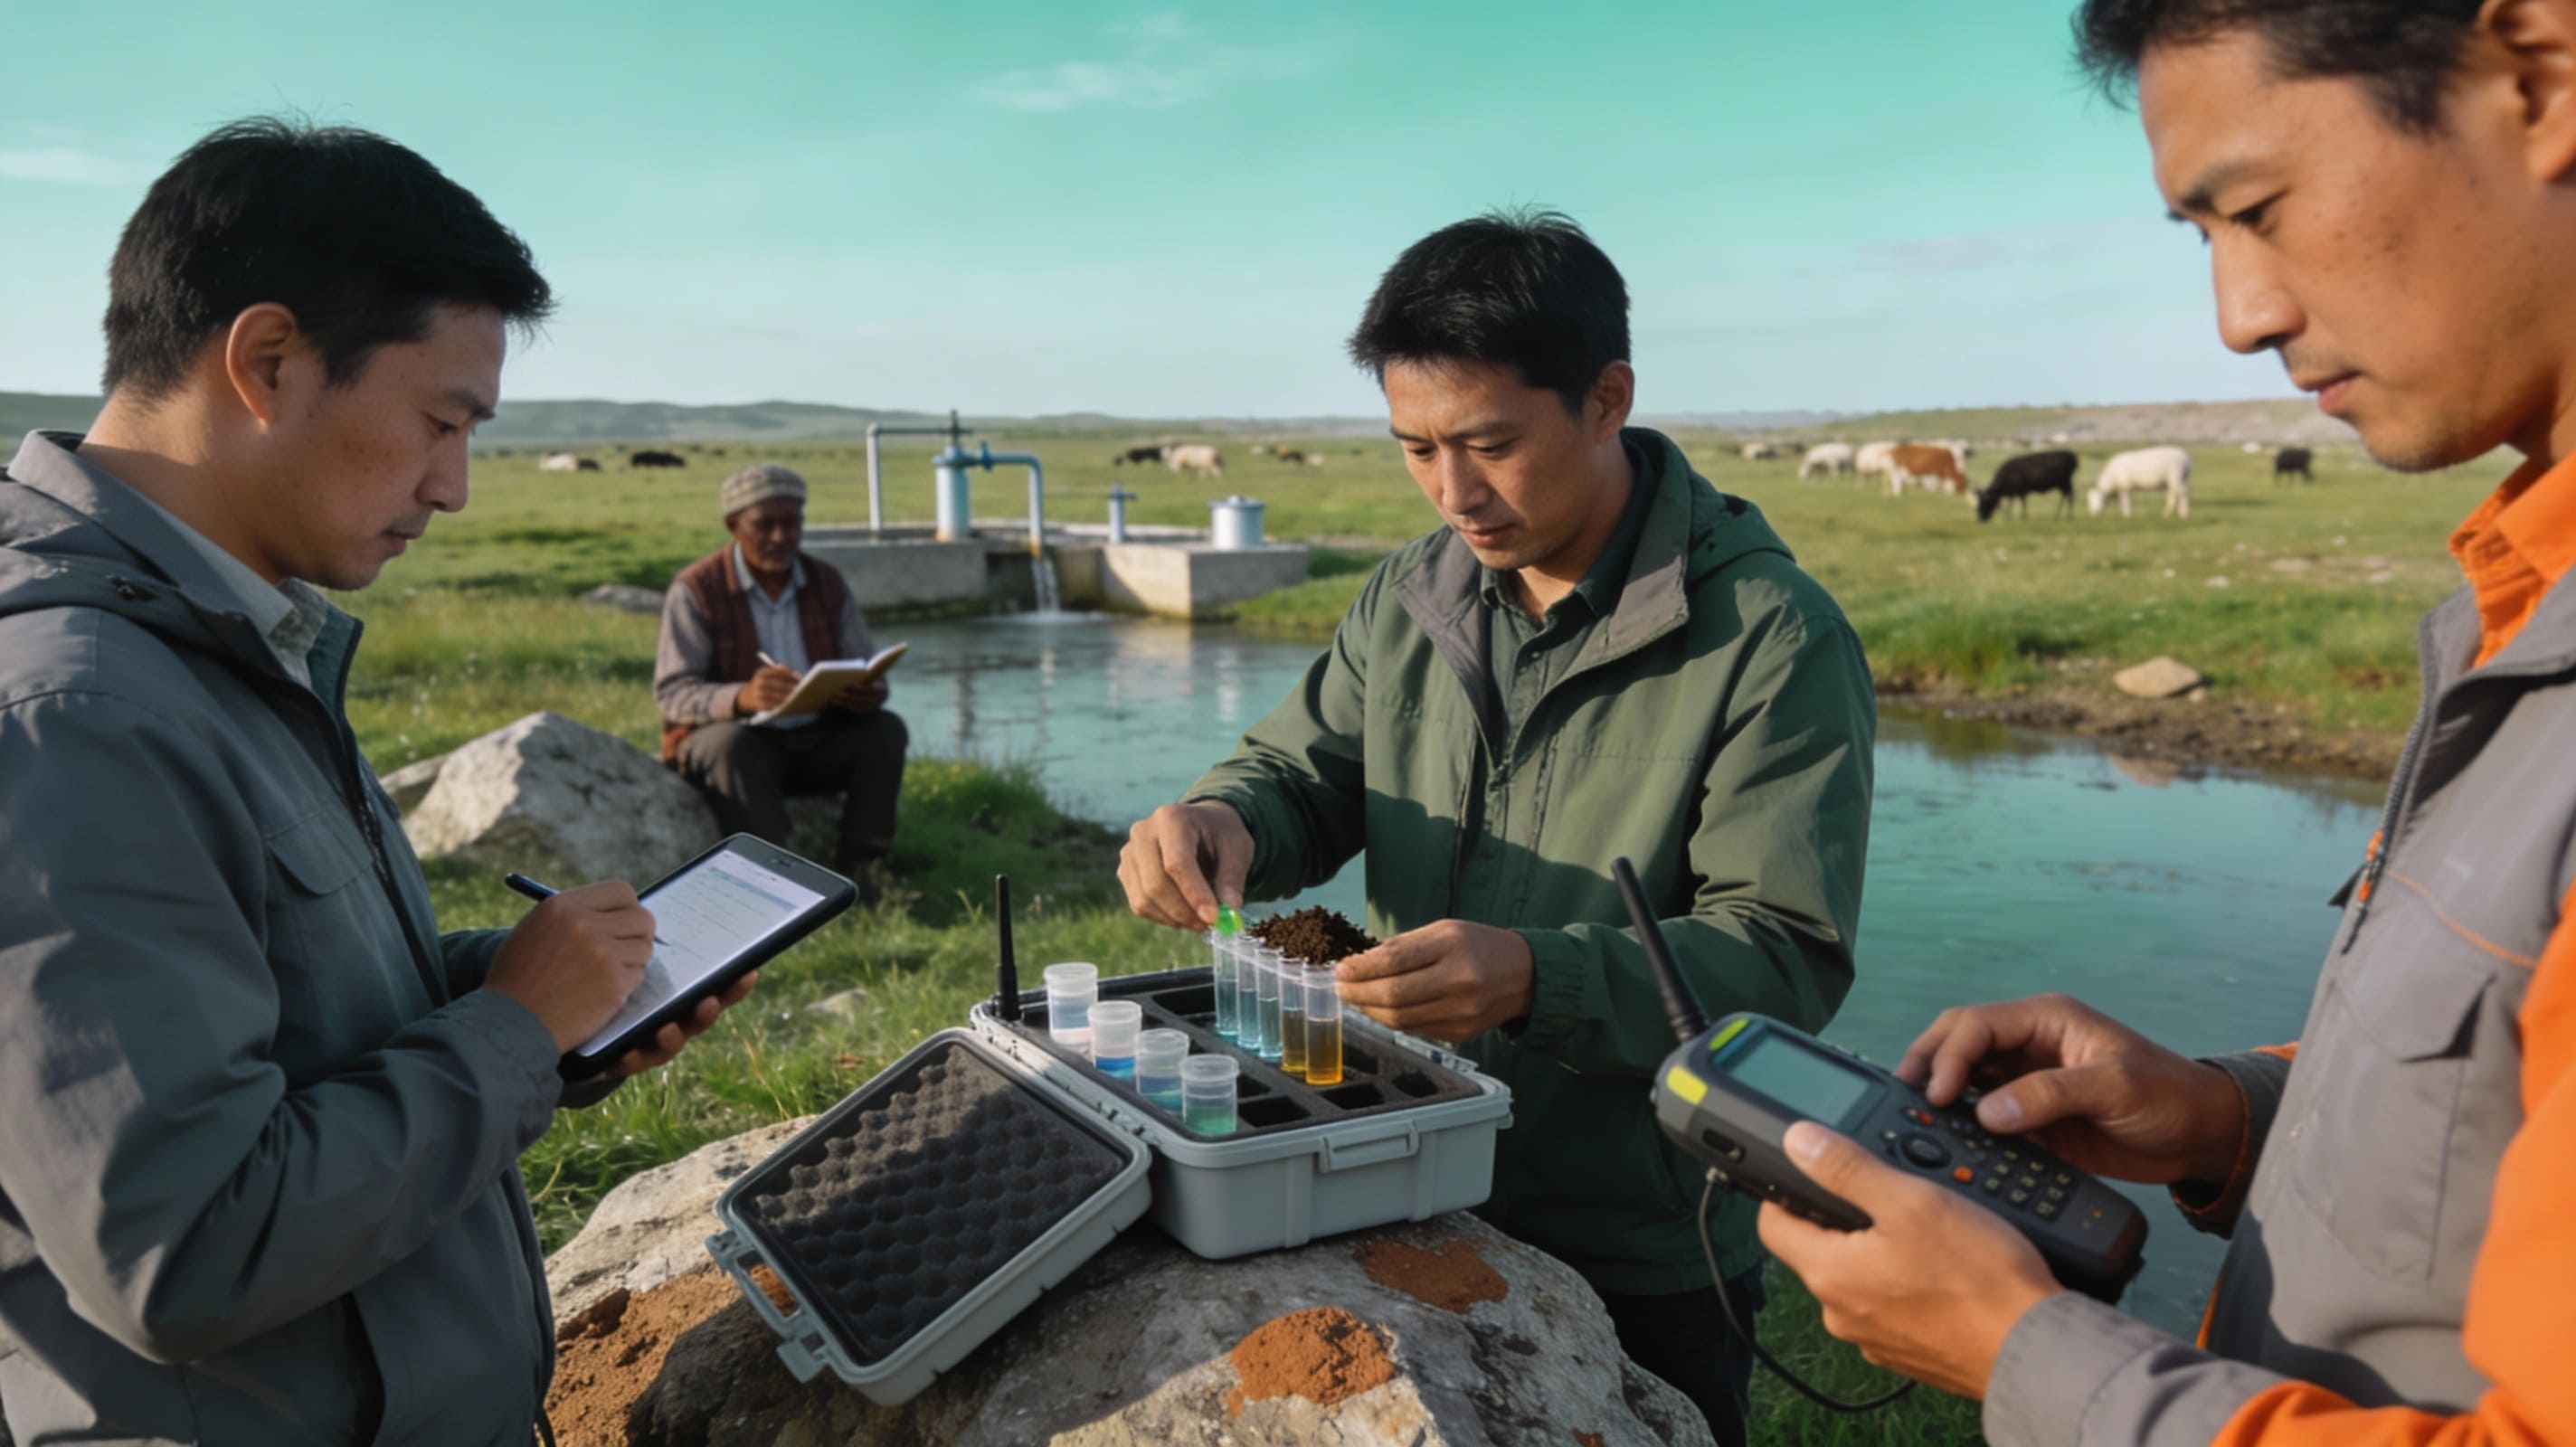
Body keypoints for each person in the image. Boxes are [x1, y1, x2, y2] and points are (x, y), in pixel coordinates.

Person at [1755, 3, 2576, 1443]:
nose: (2241, 316)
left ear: (2544, 71)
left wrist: (2028, 1357)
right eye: (2202, 241)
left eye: (2257, 209)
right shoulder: (2516, 601)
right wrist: (2232, 1117)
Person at [0, 118, 754, 1445]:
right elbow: (184, 1248)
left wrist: (524, 989)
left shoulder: (221, 633)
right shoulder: (78, 712)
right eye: (438, 421)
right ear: (269, 362)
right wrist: (512, 1034)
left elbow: (265, 1012)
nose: (453, 488)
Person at [1118, 210, 1877, 1444]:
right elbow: (1302, 774)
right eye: (1415, 447)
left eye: (1490, 444)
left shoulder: (1771, 639)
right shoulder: (1412, 593)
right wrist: (1222, 817)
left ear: (1606, 397)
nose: (1454, 490)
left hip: (1640, 1234)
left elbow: (1784, 957)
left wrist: (1537, 977)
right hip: (1396, 1173)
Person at [654, 462, 907, 892]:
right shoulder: (696, 589)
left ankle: (865, 873)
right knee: (727, 745)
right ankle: (773, 886)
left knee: (885, 730)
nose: (781, 537)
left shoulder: (827, 582)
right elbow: (672, 692)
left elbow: (862, 661)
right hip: (745, 744)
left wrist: (869, 692)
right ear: (733, 526)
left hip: (817, 737)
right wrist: (742, 698)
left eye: (792, 523)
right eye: (765, 525)